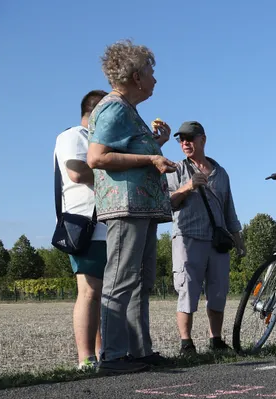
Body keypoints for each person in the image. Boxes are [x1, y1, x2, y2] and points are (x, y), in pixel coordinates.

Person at [87, 40, 177, 373]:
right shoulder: (114, 107)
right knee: (121, 278)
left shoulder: (128, 110)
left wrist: (156, 145)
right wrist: (151, 156)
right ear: (137, 76)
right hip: (125, 206)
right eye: (151, 72)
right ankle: (111, 356)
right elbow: (96, 157)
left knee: (141, 279)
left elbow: (126, 153)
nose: (155, 79)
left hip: (141, 207)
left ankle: (139, 350)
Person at [166, 121, 246, 356]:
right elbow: (167, 203)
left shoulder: (221, 173)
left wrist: (238, 239)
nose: (185, 143)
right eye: (181, 139)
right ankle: (186, 343)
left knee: (218, 290)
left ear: (203, 140)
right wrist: (188, 186)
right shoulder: (176, 170)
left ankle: (216, 340)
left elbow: (229, 209)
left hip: (217, 240)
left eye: (190, 138)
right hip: (187, 237)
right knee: (187, 289)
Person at [54, 90, 108, 370]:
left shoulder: (97, 141)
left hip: (103, 226)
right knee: (89, 292)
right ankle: (85, 358)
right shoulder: (74, 136)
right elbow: (76, 173)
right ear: (97, 113)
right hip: (84, 225)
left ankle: (102, 355)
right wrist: (114, 171)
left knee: (101, 294)